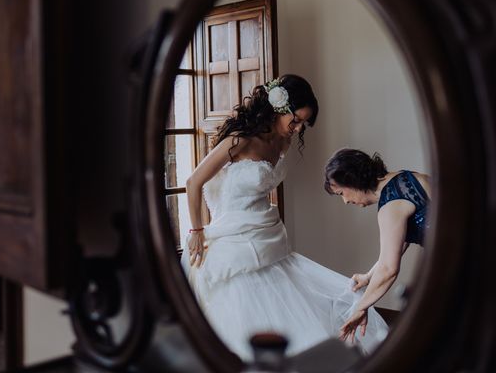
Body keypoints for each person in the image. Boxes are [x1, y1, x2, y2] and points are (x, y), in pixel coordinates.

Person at [181, 74, 388, 359]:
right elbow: (194, 182)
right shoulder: (239, 141)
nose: (298, 128)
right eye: (296, 120)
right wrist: (197, 231)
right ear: (277, 108)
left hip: (267, 236)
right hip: (232, 240)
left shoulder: (282, 143)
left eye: (304, 123)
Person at [323, 148, 430, 343]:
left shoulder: (391, 206)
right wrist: (369, 276)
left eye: (341, 193)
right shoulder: (404, 179)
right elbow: (401, 241)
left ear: (353, 181)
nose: (345, 201)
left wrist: (360, 308)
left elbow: (389, 269)